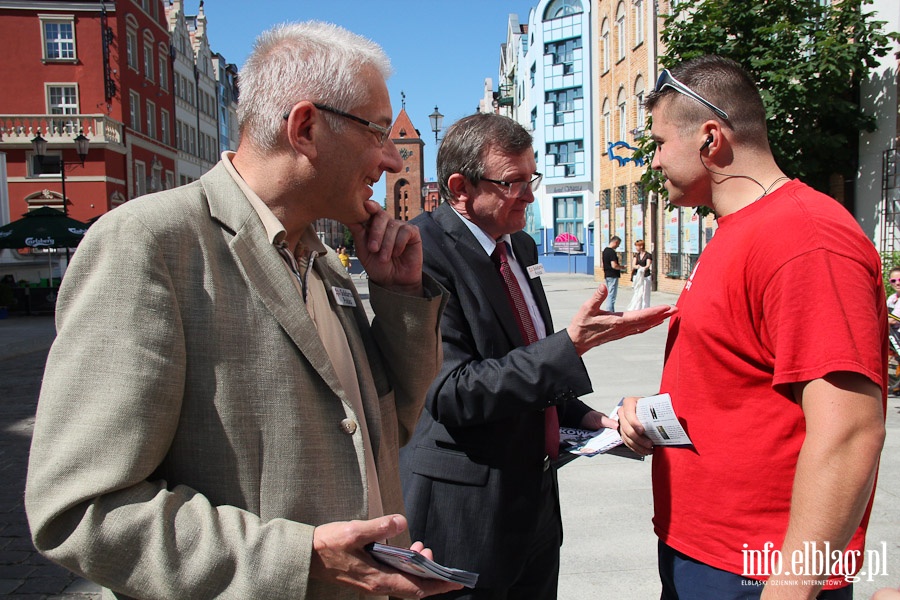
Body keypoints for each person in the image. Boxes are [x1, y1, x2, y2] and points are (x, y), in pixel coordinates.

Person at [25, 21, 460, 600]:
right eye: (378, 132)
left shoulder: (324, 260)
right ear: (305, 128)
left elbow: (388, 432)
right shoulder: (151, 244)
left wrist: (401, 301)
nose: (390, 160)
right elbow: (81, 510)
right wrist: (298, 560)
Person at [619, 55, 886, 599]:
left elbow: (850, 431)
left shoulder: (804, 238)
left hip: (758, 571)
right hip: (701, 553)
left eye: (661, 143)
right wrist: (655, 415)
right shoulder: (738, 230)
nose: (655, 160)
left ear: (710, 139)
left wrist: (790, 589)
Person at [399, 113, 677, 599]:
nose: (530, 195)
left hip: (536, 502)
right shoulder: (423, 250)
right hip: (466, 509)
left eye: (533, 178)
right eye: (513, 182)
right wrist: (571, 345)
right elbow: (451, 391)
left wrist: (590, 419)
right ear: (460, 187)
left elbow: (526, 350)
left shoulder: (519, 244)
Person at [627, 239, 652, 310]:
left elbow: (648, 265)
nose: (636, 248)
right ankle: (637, 307)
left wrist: (643, 268)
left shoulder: (648, 255)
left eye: (637, 246)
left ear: (641, 246)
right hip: (637, 275)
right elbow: (633, 265)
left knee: (645, 293)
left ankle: (645, 308)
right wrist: (637, 267)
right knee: (637, 292)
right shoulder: (636, 255)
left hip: (645, 276)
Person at [601, 236, 623, 311]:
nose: (618, 246)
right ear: (615, 242)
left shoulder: (605, 251)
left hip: (607, 274)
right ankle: (610, 311)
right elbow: (614, 265)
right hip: (613, 275)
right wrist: (622, 267)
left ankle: (609, 310)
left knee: (609, 293)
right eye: (618, 244)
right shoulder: (611, 252)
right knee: (612, 295)